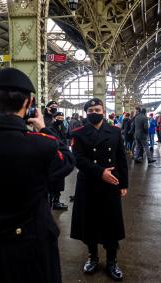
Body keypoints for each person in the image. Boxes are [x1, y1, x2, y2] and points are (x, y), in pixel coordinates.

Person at [0, 68, 75, 283]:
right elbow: (66, 161)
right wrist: (44, 129)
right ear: (29, 103)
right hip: (31, 247)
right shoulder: (42, 145)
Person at [70, 98, 128, 281]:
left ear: (103, 111)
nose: (94, 112)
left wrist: (124, 183)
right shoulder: (78, 133)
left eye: (97, 109)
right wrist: (99, 172)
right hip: (88, 183)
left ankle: (112, 261)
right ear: (86, 113)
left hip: (111, 183)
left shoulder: (115, 131)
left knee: (111, 223)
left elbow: (121, 159)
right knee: (90, 223)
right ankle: (93, 257)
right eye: (91, 110)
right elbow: (78, 159)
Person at [49, 112, 70, 210]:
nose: (60, 119)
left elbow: (67, 137)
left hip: (62, 157)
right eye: (58, 117)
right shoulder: (50, 129)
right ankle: (51, 202)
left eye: (62, 118)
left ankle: (56, 201)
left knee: (60, 180)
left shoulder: (63, 128)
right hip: (54, 157)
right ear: (54, 118)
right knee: (54, 180)